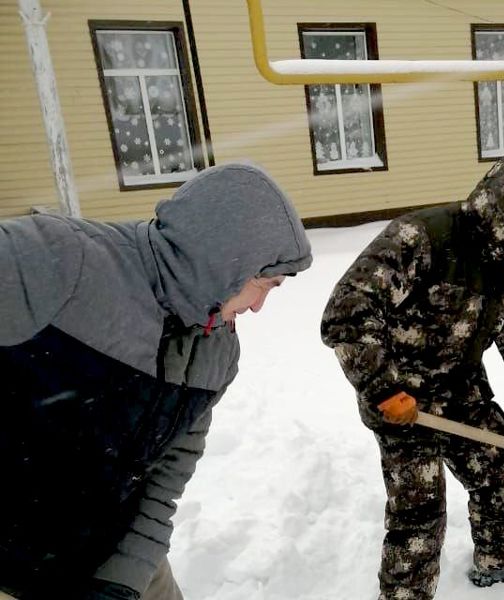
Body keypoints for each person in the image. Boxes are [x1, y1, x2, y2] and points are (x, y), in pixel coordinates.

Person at [0, 163, 313, 600]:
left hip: (112, 550)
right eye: (264, 283)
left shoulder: (215, 354)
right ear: (222, 258)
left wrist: (120, 582)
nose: (259, 306)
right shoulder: (63, 261)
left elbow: (163, 480)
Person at [321, 147, 504, 599]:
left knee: (497, 466)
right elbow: (348, 312)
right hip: (401, 400)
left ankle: (498, 568)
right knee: (419, 512)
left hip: (459, 389)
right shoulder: (422, 239)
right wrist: (382, 388)